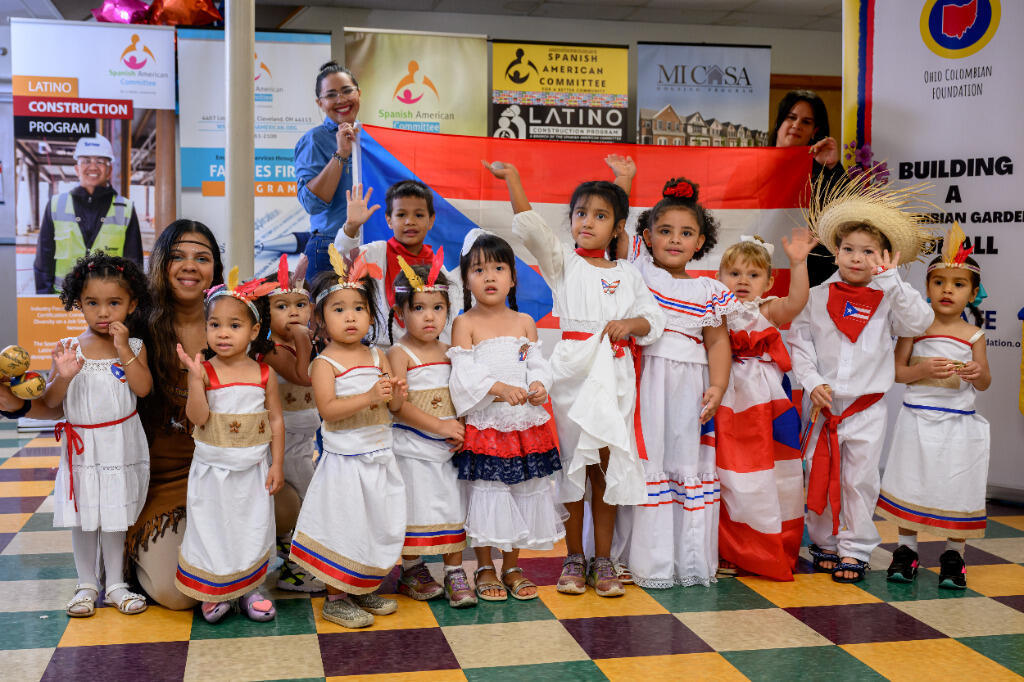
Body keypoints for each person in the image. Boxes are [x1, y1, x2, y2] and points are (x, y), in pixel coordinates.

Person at [484, 159, 664, 598]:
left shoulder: (629, 274)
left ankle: (603, 559)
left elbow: (652, 319)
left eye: (600, 216)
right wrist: (513, 179)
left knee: (604, 467)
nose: (587, 222)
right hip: (571, 375)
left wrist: (631, 324)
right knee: (572, 467)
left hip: (614, 375)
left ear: (617, 228)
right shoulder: (563, 263)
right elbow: (532, 230)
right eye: (581, 213)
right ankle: (573, 557)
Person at [127, 220, 294, 612]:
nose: (190, 265)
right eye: (178, 256)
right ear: (161, 264)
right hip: (166, 480)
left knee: (290, 506)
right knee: (178, 595)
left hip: (238, 469)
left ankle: (242, 568)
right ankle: (138, 550)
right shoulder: (139, 327)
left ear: (214, 269)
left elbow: (297, 376)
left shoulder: (238, 324)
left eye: (201, 258)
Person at [789, 178, 935, 583]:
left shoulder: (890, 296)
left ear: (884, 256)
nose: (857, 258)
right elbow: (799, 343)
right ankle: (824, 541)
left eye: (868, 251)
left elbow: (918, 323)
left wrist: (892, 280)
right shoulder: (816, 296)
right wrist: (812, 381)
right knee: (817, 471)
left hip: (865, 408)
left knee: (859, 480)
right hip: (822, 404)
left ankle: (854, 549)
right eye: (849, 249)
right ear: (835, 251)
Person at [614, 178, 741, 589]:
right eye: (665, 231)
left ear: (700, 241)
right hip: (644, 378)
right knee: (643, 457)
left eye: (686, 233)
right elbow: (616, 230)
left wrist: (717, 386)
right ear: (647, 237)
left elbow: (717, 341)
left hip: (688, 386)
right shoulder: (639, 271)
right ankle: (630, 557)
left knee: (682, 459)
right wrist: (623, 182)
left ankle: (677, 559)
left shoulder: (709, 290)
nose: (674, 239)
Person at [288, 246, 407, 629]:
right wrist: (370, 396)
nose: (350, 316)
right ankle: (335, 598)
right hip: (344, 462)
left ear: (371, 315)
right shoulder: (324, 363)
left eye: (358, 308)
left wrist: (396, 394)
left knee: (373, 524)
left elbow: (392, 407)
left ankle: (361, 585)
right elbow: (328, 410)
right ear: (321, 321)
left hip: (379, 455)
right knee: (343, 526)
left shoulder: (377, 357)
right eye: (339, 309)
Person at [448, 230, 564, 602]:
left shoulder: (524, 321)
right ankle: (484, 566)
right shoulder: (464, 323)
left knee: (523, 491)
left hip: (524, 424)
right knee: (489, 493)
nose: (490, 277)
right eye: (479, 270)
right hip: (488, 424)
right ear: (466, 280)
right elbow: (463, 376)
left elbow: (537, 364)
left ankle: (512, 566)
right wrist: (498, 388)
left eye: (498, 268)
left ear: (512, 277)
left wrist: (540, 384)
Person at [878, 226, 991, 590]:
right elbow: (897, 372)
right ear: (926, 288)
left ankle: (954, 555)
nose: (947, 290)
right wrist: (922, 370)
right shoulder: (914, 328)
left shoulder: (974, 335)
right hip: (916, 420)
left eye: (958, 284)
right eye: (939, 282)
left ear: (973, 293)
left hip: (958, 425)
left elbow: (985, 381)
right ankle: (906, 550)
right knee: (910, 481)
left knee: (956, 486)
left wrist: (976, 373)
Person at [42, 251, 152, 617]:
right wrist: (64, 376)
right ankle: (86, 583)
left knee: (115, 514)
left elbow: (143, 388)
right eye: (92, 303)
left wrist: (123, 350)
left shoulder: (134, 347)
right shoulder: (69, 348)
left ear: (132, 305)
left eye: (114, 303)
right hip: (83, 450)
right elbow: (52, 402)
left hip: (120, 444)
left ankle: (116, 583)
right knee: (84, 514)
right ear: (78, 302)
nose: (103, 312)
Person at [173, 272, 284, 623]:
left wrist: (276, 464)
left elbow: (276, 421)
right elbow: (198, 417)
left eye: (234, 325)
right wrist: (194, 380)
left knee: (251, 528)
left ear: (253, 331)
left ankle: (251, 589)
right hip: (212, 471)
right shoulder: (204, 371)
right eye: (215, 324)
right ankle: (215, 591)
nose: (223, 333)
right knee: (213, 528)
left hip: (253, 470)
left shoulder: (264, 374)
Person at [715, 232, 816, 581]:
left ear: (769, 282)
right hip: (727, 401)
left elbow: (797, 301)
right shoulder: (715, 312)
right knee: (728, 475)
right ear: (718, 277)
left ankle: (765, 546)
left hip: (766, 407)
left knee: (770, 476)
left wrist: (798, 263)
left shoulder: (767, 309)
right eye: (734, 273)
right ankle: (727, 548)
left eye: (754, 274)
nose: (743, 281)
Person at [388, 258, 476, 608]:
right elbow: (398, 406)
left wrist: (462, 426)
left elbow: (463, 393)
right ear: (400, 314)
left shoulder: (451, 352)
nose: (429, 317)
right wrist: (440, 425)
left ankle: (454, 571)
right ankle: (412, 569)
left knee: (453, 507)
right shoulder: (399, 353)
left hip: (449, 448)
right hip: (412, 449)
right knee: (415, 508)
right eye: (419, 308)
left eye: (437, 308)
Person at [334, 179, 463, 347]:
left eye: (419, 215)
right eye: (401, 215)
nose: (410, 221)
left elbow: (446, 318)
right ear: (389, 220)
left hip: (426, 352)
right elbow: (344, 261)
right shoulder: (376, 253)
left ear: (431, 220)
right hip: (382, 351)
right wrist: (351, 227)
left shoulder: (438, 268)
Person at [262, 255, 324, 593]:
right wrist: (303, 338)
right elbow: (303, 376)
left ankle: (296, 562)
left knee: (308, 499)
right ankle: (295, 568)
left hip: (303, 444)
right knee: (303, 503)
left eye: (301, 305)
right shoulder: (271, 349)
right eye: (282, 306)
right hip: (281, 448)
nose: (294, 313)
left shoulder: (307, 343)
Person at [34, 134, 143, 294]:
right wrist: (44, 301)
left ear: (109, 170)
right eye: (86, 161)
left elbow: (134, 266)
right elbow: (43, 262)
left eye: (100, 162)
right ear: (77, 169)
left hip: (108, 301)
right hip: (64, 301)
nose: (93, 167)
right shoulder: (56, 205)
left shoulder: (126, 209)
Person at [295, 61, 360, 283]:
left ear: (359, 93)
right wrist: (341, 153)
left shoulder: (372, 139)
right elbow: (312, 204)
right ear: (320, 103)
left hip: (371, 245)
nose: (341, 100)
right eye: (331, 95)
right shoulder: (314, 139)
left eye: (347, 91)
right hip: (329, 245)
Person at [772, 90, 842, 287]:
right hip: (758, 269)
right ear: (779, 122)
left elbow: (849, 212)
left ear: (814, 131)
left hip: (810, 277)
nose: (796, 125)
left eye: (806, 121)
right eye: (791, 117)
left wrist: (833, 167)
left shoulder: (822, 172)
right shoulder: (753, 165)